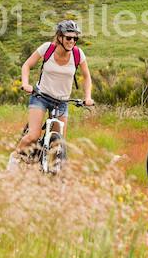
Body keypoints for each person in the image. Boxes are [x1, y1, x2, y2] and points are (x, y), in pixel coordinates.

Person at [8, 20, 94, 170]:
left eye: (75, 38)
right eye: (68, 37)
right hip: (41, 97)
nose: (72, 41)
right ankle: (14, 159)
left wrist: (88, 97)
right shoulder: (47, 48)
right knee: (33, 135)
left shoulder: (78, 54)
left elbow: (87, 77)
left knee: (59, 143)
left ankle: (53, 172)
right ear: (59, 37)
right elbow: (27, 65)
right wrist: (26, 83)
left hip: (62, 102)